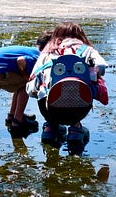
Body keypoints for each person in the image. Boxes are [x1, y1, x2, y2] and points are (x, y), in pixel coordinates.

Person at [27, 22, 108, 151]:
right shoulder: (86, 50)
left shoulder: (47, 52)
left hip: (49, 107)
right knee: (81, 88)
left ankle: (50, 128)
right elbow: (101, 67)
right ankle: (75, 129)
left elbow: (31, 84)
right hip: (80, 107)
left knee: (42, 90)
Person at [0, 44, 41, 137]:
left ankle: (12, 116)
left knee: (20, 82)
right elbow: (21, 60)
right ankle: (17, 121)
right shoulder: (40, 57)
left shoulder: (34, 51)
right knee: (27, 84)